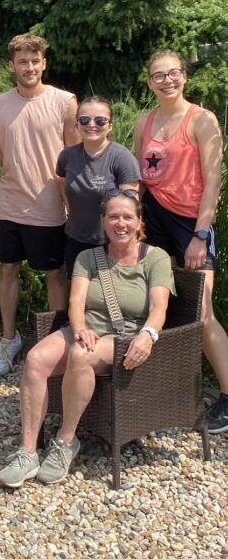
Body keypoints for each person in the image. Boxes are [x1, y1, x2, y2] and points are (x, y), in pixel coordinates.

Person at [0, 193, 173, 487]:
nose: (120, 223)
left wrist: (148, 335)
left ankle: (66, 441)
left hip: (124, 337)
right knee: (35, 359)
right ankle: (27, 452)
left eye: (127, 217)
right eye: (113, 217)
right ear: (103, 221)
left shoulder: (155, 258)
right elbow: (76, 302)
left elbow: (159, 308)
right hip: (85, 330)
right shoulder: (88, 258)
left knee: (81, 354)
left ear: (139, 221)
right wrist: (79, 328)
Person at [134, 49, 228, 434]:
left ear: (184, 76)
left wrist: (200, 235)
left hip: (190, 222)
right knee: (160, 305)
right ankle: (169, 390)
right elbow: (141, 179)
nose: (167, 81)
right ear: (149, 82)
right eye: (158, 75)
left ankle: (227, 396)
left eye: (173, 73)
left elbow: (213, 180)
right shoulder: (144, 121)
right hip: (153, 220)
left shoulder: (202, 120)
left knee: (201, 313)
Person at [0, 33, 78, 376]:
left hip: (49, 204)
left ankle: (55, 342)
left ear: (44, 63)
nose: (29, 67)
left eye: (34, 61)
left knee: (54, 273)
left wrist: (71, 204)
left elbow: (73, 156)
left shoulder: (64, 101)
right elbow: (1, 153)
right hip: (10, 203)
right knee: (7, 269)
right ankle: (9, 339)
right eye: (22, 61)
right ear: (11, 66)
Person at [56, 96, 140, 277]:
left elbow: (131, 207)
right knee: (78, 291)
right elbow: (62, 182)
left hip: (111, 243)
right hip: (75, 239)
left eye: (100, 120)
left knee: (108, 293)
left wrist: (125, 243)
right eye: (84, 120)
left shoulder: (122, 158)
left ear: (110, 126)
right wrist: (70, 210)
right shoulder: (67, 156)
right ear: (77, 125)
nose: (92, 125)